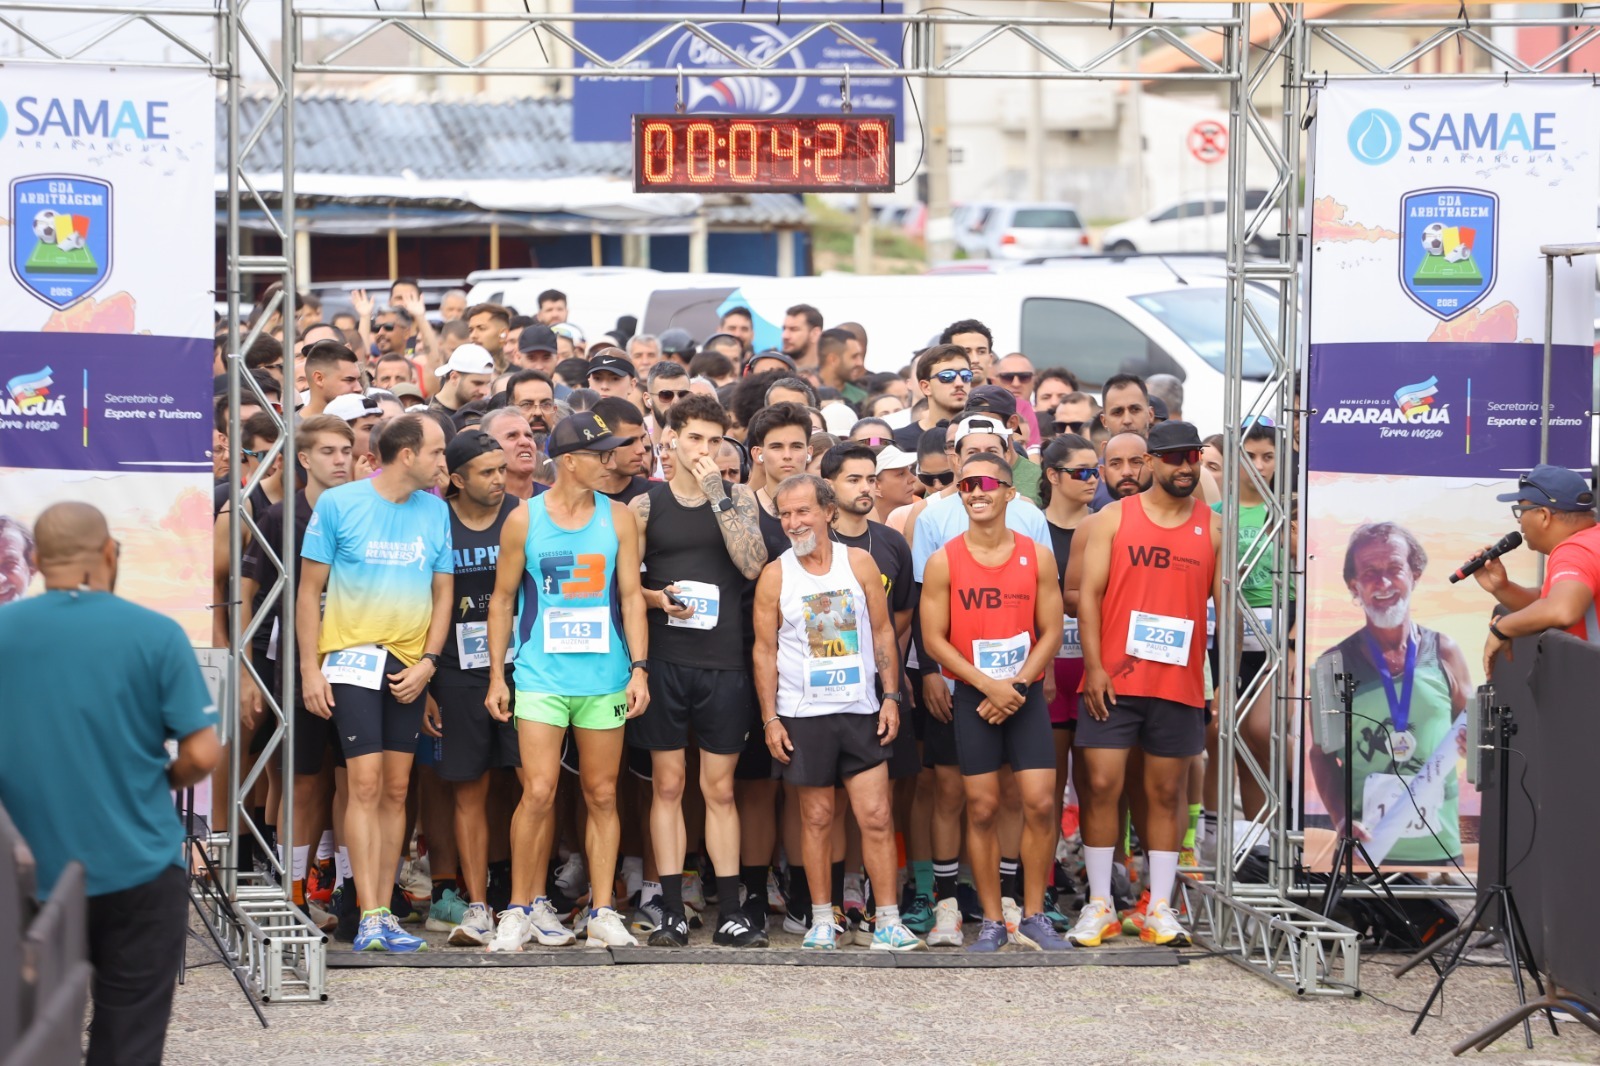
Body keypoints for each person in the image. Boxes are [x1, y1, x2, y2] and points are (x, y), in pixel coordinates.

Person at [0, 502, 221, 1065]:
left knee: (28, 1039)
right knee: (130, 1040)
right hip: (139, 867)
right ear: (108, 553)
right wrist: (157, 780)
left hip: (26, 877)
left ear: (38, 560)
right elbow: (202, 753)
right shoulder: (155, 633)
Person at [483, 412, 651, 951]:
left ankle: (602, 910)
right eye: (601, 454)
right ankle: (517, 909)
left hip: (605, 676)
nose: (611, 461)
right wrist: (497, 675)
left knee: (602, 794)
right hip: (540, 676)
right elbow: (503, 599)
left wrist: (640, 669)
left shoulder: (620, 516)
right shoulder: (523, 519)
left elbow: (630, 597)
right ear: (570, 460)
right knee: (537, 791)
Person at [298, 414, 454, 953]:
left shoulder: (435, 510)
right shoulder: (339, 504)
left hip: (410, 666)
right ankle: (366, 913)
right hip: (349, 661)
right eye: (436, 451)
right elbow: (306, 592)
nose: (443, 462)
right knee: (362, 785)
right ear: (406, 454)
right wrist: (309, 668)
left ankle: (383, 911)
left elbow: (443, 594)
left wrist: (429, 664)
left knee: (394, 789)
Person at [754, 474, 923, 952]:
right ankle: (822, 919)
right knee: (818, 817)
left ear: (828, 512)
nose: (793, 522)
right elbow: (764, 652)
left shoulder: (860, 563)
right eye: (785, 514)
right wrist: (770, 718)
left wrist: (891, 696)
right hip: (803, 715)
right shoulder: (776, 574)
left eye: (803, 511)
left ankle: (887, 920)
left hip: (861, 708)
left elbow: (885, 632)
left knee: (875, 814)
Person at [627, 394, 769, 947]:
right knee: (667, 785)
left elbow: (752, 563)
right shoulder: (644, 507)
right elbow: (624, 586)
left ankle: (732, 911)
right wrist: (659, 600)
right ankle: (670, 911)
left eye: (714, 440)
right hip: (664, 661)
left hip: (724, 663)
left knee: (720, 788)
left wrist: (717, 493)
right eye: (695, 440)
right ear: (672, 440)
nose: (705, 450)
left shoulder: (738, 498)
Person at [1073, 420, 1220, 948]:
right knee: (1103, 786)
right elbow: (1087, 597)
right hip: (1114, 680)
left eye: (1193, 457)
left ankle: (1158, 906)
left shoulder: (1213, 526)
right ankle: (1099, 905)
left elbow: (1227, 612)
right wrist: (1094, 667)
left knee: (1165, 792)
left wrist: (1220, 682)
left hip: (1178, 685)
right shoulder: (1113, 518)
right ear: (1152, 462)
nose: (1185, 467)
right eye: (1174, 457)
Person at [920, 453, 1068, 952]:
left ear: (1010, 492)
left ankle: (1032, 914)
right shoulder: (944, 559)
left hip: (1022, 694)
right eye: (965, 485)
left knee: (1040, 803)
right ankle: (989, 920)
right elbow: (934, 639)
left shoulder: (1036, 555)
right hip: (975, 697)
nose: (975, 491)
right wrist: (987, 686)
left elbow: (1050, 631)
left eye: (986, 483)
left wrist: (1019, 687)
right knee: (981, 807)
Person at [236, 415, 353, 928]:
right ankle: (295, 893)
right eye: (329, 451)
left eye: (347, 449)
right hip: (292, 661)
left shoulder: (364, 510)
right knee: (302, 782)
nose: (342, 459)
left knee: (355, 783)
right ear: (303, 460)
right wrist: (244, 669)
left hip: (357, 661)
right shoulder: (280, 516)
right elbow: (247, 592)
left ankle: (353, 888)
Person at [1308, 522, 1470, 866]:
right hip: (1364, 853)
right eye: (1369, 573)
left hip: (1438, 850)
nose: (1382, 583)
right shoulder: (1333, 664)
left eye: (1394, 569)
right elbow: (1322, 756)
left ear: (1415, 574)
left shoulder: (1445, 652)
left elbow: (1475, 734)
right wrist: (1340, 821)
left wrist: (1477, 745)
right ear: (1354, 586)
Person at [426, 430, 523, 947]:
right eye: (487, 472)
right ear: (457, 479)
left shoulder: (522, 515)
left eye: (502, 470)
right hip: (455, 671)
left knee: (534, 784)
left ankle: (528, 902)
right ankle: (478, 904)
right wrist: (426, 685)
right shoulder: (435, 520)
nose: (498, 480)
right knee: (470, 788)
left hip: (521, 667)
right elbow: (421, 601)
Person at [1482, 465, 1600, 675]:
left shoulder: (1574, 551)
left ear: (1543, 515)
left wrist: (1501, 628)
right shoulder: (1592, 541)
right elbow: (1548, 602)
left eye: (1520, 510)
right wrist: (1502, 587)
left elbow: (1561, 610)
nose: (1519, 521)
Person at [890, 345, 971, 453]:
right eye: (947, 376)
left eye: (966, 375)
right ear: (926, 387)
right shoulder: (898, 441)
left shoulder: (986, 434)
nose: (959, 383)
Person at [430, 343, 496, 419]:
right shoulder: (425, 415)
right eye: (477, 383)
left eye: (488, 384)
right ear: (454, 377)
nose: (485, 392)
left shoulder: (488, 414)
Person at [300, 340, 364, 417]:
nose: (359, 388)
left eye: (358, 380)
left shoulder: (366, 424)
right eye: (349, 380)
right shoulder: (288, 428)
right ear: (319, 379)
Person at [939, 319, 995, 384]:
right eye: (966, 352)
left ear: (990, 359)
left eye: (981, 352)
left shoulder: (1006, 394)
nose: (975, 360)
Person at [782, 303, 823, 368]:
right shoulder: (775, 372)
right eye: (784, 329)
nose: (785, 336)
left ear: (815, 334)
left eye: (794, 329)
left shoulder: (830, 375)